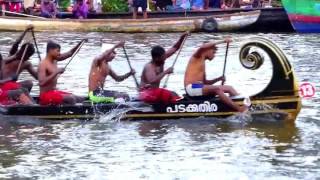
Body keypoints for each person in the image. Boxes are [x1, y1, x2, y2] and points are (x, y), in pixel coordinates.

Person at [184, 38, 246, 112]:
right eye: (213, 52)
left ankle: (240, 103)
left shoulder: (202, 63)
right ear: (207, 49)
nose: (214, 55)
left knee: (229, 88)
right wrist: (223, 41)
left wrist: (219, 79)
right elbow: (202, 47)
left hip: (199, 86)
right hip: (191, 86)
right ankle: (239, 109)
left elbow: (206, 83)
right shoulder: (197, 56)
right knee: (217, 89)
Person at [139, 32, 189, 104]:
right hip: (146, 93)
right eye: (163, 57)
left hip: (155, 92)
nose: (165, 58)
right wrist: (166, 72)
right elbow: (152, 81)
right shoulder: (149, 66)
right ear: (156, 58)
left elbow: (175, 48)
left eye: (165, 56)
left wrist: (182, 38)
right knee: (172, 95)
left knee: (173, 94)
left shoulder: (162, 58)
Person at [38, 40, 86, 105]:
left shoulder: (55, 59)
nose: (59, 53)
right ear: (50, 50)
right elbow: (41, 83)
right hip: (45, 96)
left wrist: (80, 43)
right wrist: (56, 72)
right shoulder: (43, 64)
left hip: (53, 92)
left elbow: (70, 53)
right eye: (57, 51)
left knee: (79, 98)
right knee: (71, 99)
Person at [3, 25, 38, 92]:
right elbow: (17, 42)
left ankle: (22, 98)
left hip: (12, 85)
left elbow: (37, 77)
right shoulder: (13, 54)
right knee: (29, 83)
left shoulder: (26, 64)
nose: (28, 58)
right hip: (2, 83)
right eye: (28, 56)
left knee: (29, 83)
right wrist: (25, 31)